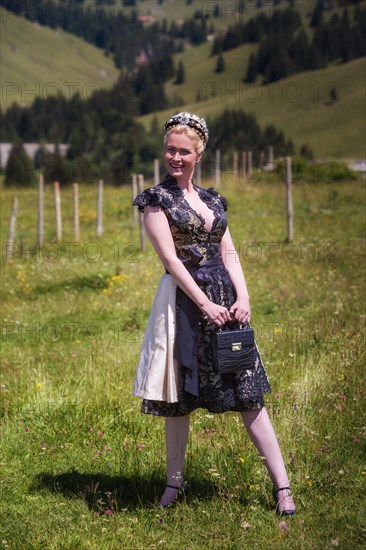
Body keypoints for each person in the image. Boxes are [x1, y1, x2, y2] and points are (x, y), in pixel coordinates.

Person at [133, 112, 296, 515]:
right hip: (185, 307)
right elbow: (170, 261)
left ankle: (283, 489)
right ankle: (174, 487)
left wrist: (244, 296)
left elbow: (229, 252)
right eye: (170, 149)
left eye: (183, 151)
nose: (175, 157)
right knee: (179, 399)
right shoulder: (156, 200)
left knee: (248, 392)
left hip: (227, 301)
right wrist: (204, 304)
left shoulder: (211, 200)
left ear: (199, 153)